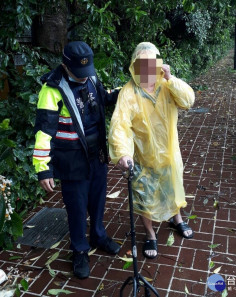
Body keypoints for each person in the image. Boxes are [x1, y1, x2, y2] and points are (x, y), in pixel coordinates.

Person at [33, 41, 121, 279]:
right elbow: (44, 132)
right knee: (77, 208)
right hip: (72, 161)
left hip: (97, 156)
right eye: (79, 73)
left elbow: (105, 98)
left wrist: (127, 92)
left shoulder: (90, 77)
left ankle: (99, 235)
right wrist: (43, 169)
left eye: (87, 72)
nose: (84, 78)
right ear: (65, 65)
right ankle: (80, 249)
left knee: (98, 200)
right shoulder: (51, 90)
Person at [108, 42, 195, 259]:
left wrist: (171, 79)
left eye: (151, 64)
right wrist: (122, 153)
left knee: (172, 187)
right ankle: (150, 234)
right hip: (143, 156)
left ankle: (177, 220)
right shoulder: (128, 93)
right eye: (142, 65)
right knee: (144, 196)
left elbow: (188, 101)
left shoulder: (166, 85)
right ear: (134, 66)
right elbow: (120, 125)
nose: (147, 70)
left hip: (169, 152)